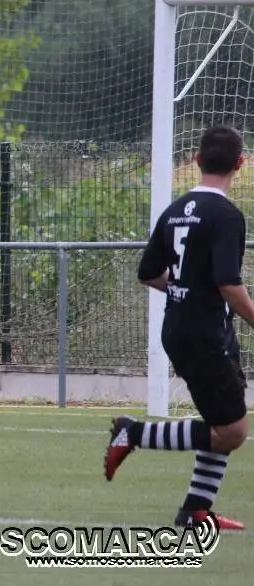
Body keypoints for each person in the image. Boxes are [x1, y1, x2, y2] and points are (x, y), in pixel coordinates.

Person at [106, 124, 250, 531]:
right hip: (205, 333)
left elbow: (149, 272)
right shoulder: (227, 216)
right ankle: (133, 434)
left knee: (221, 419)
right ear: (240, 163)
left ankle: (195, 511)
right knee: (233, 431)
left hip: (182, 327)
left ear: (197, 159)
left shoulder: (174, 211)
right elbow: (229, 284)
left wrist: (185, 287)